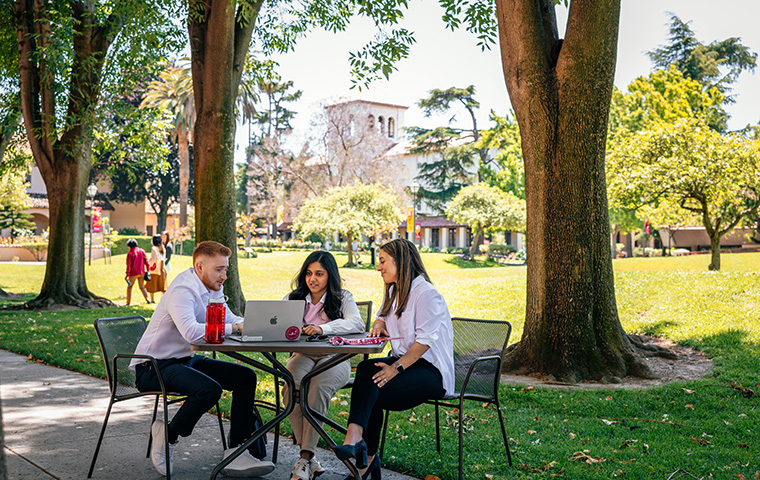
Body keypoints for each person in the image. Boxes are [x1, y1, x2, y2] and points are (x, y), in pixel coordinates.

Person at [130, 241, 275, 478]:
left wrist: (254, 325)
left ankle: (235, 450)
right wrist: (235, 328)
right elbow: (191, 332)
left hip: (184, 360)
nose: (224, 275)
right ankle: (168, 434)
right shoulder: (182, 290)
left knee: (245, 377)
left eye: (226, 269)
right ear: (199, 267)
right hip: (153, 367)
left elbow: (229, 318)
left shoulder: (212, 287)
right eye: (219, 269)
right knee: (209, 389)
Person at [333, 238, 454, 480]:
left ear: (401, 262)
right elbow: (381, 316)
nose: (378, 268)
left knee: (372, 389)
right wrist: (378, 326)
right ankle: (357, 444)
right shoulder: (394, 290)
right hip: (405, 364)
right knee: (368, 371)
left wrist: (395, 368)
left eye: (382, 261)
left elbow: (424, 342)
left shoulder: (426, 294)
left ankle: (364, 460)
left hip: (431, 372)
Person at [283, 251, 365, 480]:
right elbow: (277, 321)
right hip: (303, 354)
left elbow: (356, 323)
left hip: (335, 357)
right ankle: (308, 459)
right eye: (309, 273)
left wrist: (323, 329)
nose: (313, 279)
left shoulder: (342, 297)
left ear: (330, 275)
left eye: (319, 274)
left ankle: (305, 458)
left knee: (316, 387)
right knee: (291, 385)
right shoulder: (293, 298)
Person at [124, 238, 150, 305]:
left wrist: (127, 274)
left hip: (133, 273)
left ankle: (128, 302)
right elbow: (146, 261)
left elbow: (129, 265)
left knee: (129, 287)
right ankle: (148, 299)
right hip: (142, 272)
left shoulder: (130, 253)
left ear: (129, 246)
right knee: (142, 286)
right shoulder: (142, 251)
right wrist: (148, 270)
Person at [145, 234, 167, 303]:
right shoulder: (162, 248)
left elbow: (154, 259)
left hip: (155, 268)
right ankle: (165, 299)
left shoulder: (154, 248)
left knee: (152, 284)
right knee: (162, 284)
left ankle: (152, 299)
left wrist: (148, 264)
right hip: (162, 268)